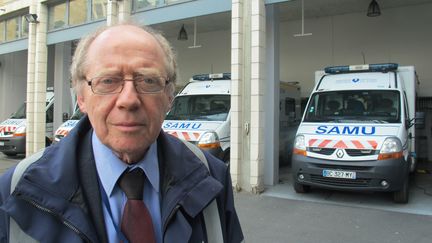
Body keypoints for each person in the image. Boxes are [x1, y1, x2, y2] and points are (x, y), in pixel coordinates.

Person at [0, 23, 243, 243]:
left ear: (169, 97)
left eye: (148, 80)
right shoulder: (14, 190)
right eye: (108, 80)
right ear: (81, 97)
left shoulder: (211, 176)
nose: (129, 100)